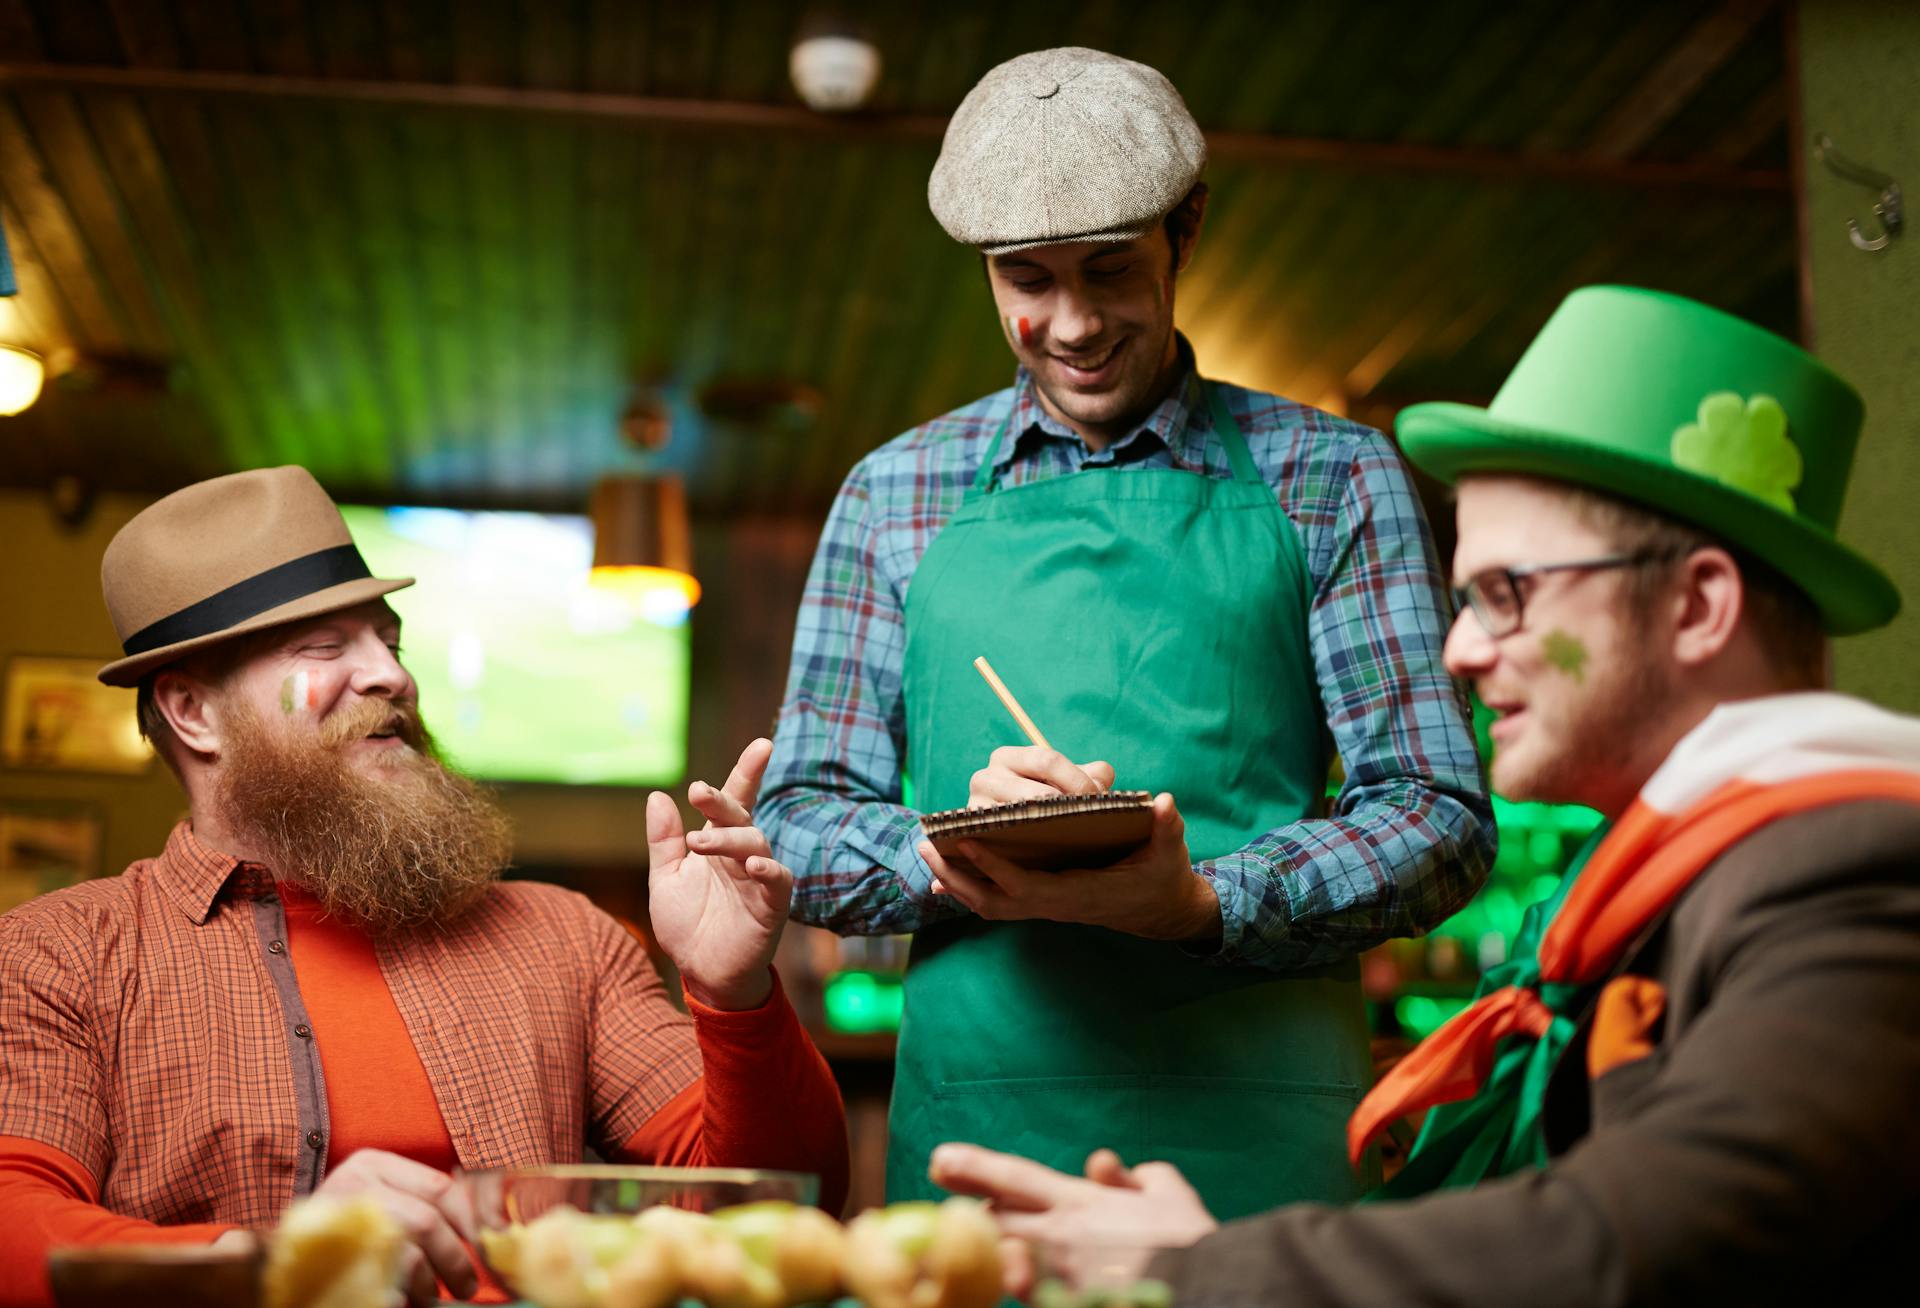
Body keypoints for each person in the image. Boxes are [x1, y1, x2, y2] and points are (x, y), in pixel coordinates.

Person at [930, 286, 1920, 1305]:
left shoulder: (1855, 875)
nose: (1462, 650)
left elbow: (1637, 1239)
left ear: (1701, 604)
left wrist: (1199, 1269)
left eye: (1507, 596)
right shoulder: (1677, 882)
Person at [759, 45, 1492, 1218]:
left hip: (1260, 1133)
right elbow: (794, 820)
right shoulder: (892, 493)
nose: (1074, 323)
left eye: (1110, 271)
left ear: (1186, 232)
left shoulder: (1334, 478)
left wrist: (1201, 902)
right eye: (1026, 280)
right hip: (982, 1126)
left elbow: (1438, 813)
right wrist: (957, 857)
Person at [0, 467, 850, 1308]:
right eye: (326, 649)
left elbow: (779, 1206)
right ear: (192, 712)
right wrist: (266, 1262)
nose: (391, 676)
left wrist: (735, 994)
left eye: (390, 640)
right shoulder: (64, 955)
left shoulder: (563, 937)